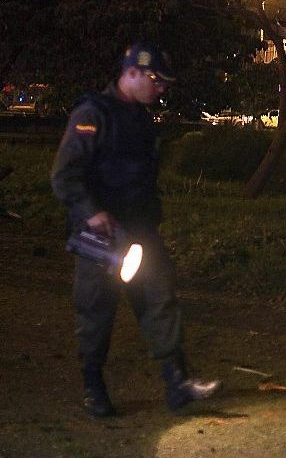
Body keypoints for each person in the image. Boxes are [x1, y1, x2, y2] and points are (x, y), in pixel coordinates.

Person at [51, 42, 221, 417]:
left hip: (141, 231)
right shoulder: (92, 113)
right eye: (155, 80)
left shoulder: (142, 119)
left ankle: (178, 383)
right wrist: (91, 212)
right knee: (96, 310)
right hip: (102, 237)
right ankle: (93, 386)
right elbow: (64, 176)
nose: (161, 89)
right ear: (132, 73)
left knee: (160, 300)